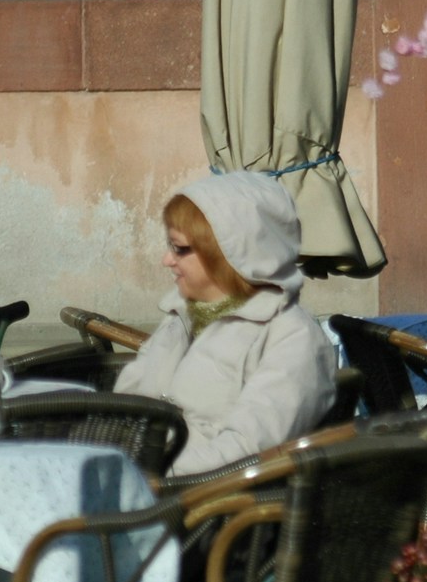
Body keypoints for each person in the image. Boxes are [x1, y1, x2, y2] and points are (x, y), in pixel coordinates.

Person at [115, 172, 336, 475]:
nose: (167, 260)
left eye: (179, 248)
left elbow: (245, 451)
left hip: (199, 505)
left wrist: (145, 475)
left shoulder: (292, 338)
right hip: (135, 480)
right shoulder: (185, 314)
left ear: (226, 254)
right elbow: (123, 402)